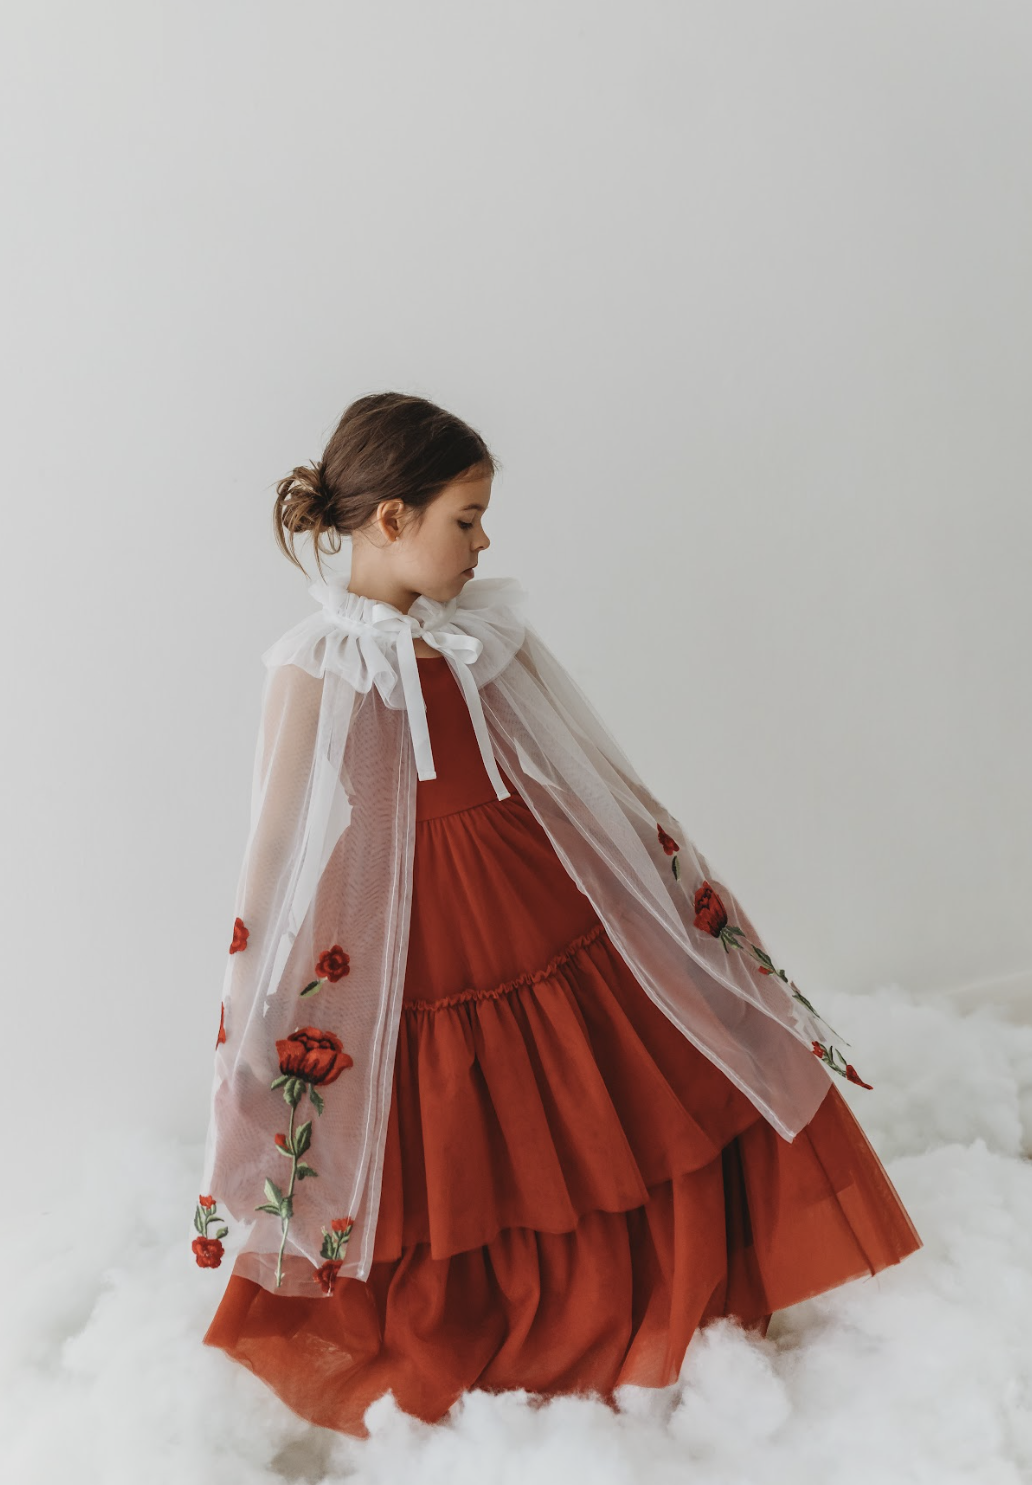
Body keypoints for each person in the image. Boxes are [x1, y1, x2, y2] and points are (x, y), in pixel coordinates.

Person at [196, 391, 923, 1436]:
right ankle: (504, 1320)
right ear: (391, 519)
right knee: (456, 1136)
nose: (483, 542)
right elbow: (275, 842)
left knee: (618, 1084)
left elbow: (578, 766)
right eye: (466, 518)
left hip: (533, 881)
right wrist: (253, 994)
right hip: (407, 920)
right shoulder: (313, 666)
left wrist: (658, 876)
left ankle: (655, 1284)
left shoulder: (478, 633)